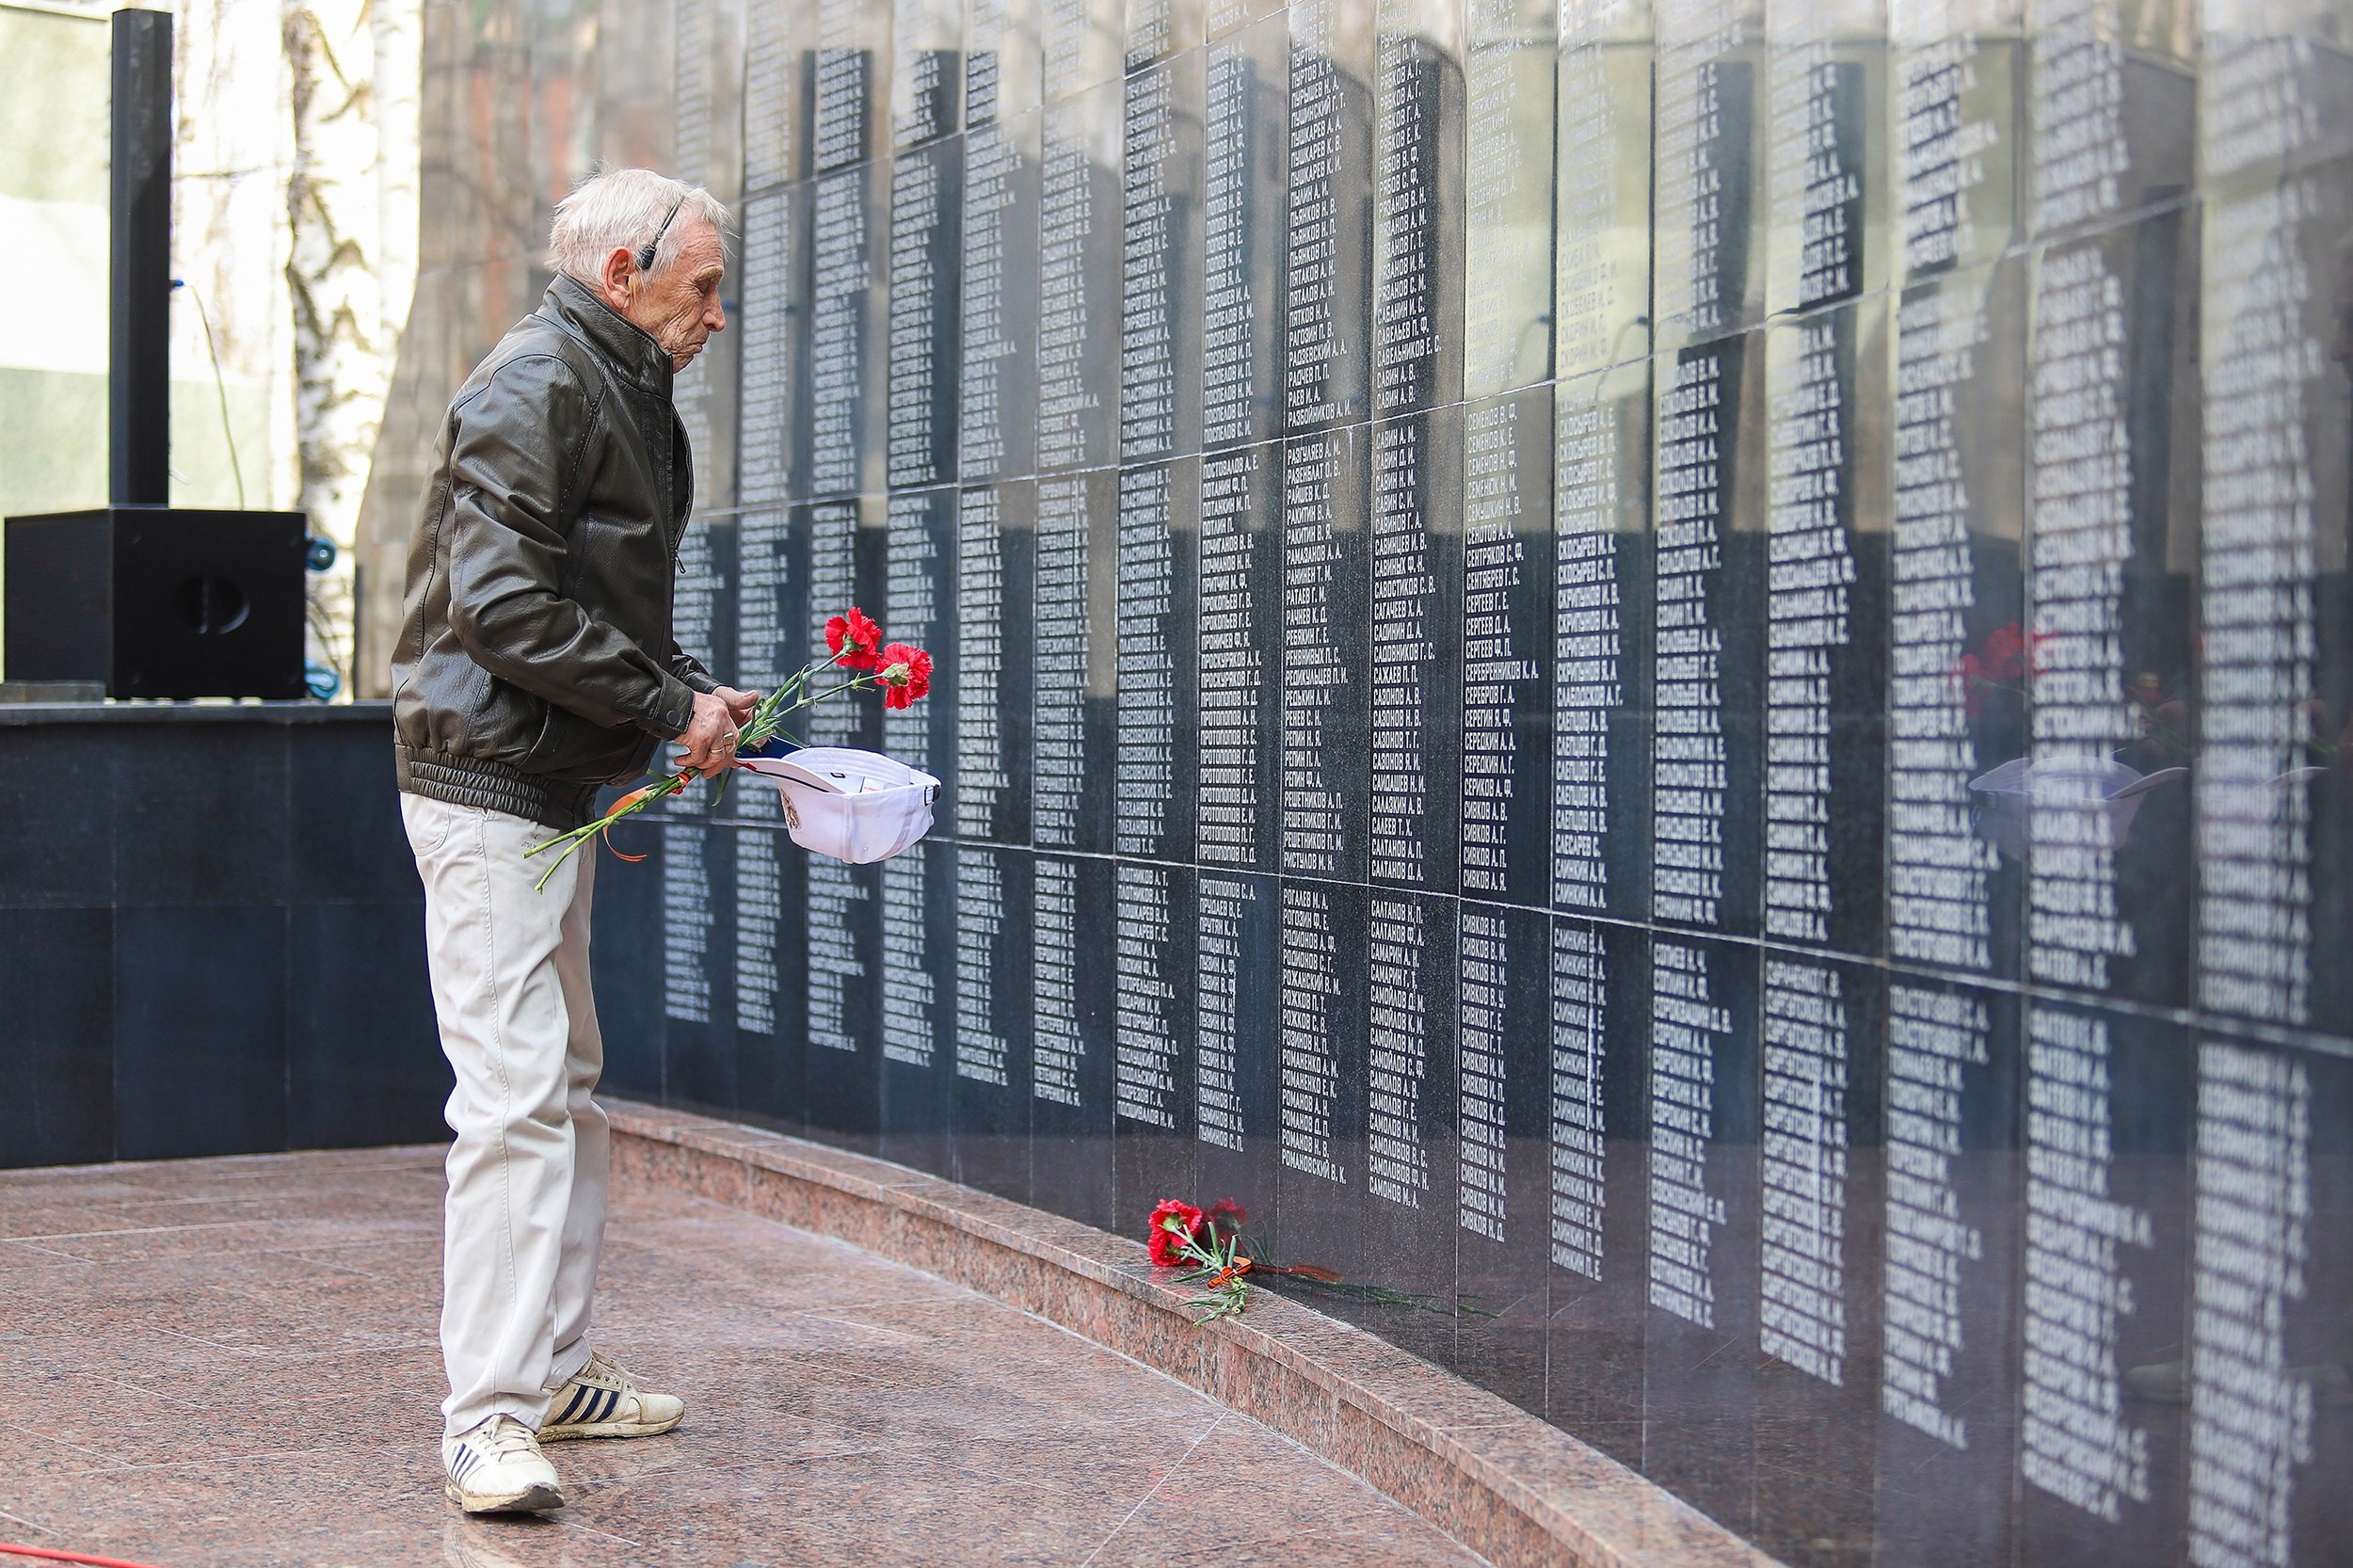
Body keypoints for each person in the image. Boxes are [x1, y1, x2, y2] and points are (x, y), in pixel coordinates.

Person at [389, 167, 752, 1516]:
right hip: (487, 786)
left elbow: (601, 608)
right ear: (623, 272)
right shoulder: (535, 381)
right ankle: (485, 1418)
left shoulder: (622, 389)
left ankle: (548, 1372)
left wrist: (697, 695)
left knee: (568, 1081)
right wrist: (668, 703)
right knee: (515, 1098)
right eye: (703, 285)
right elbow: (499, 612)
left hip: (553, 787)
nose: (718, 313)